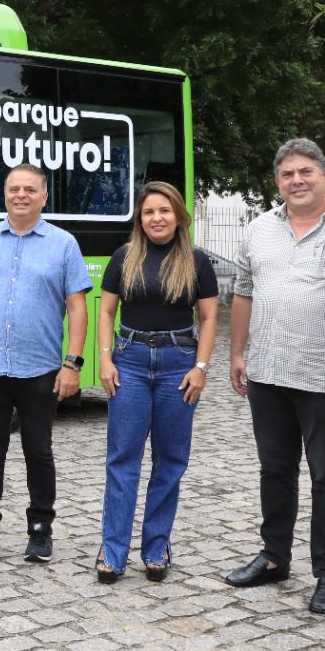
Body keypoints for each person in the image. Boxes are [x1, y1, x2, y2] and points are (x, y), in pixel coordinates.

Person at [226, 138, 325, 613]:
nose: (297, 180)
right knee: (275, 470)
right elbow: (244, 292)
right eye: (288, 174)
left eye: (306, 172)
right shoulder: (258, 230)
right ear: (278, 182)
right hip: (268, 372)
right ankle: (274, 556)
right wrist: (236, 353)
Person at [0, 163, 92, 566]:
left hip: (41, 370)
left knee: (38, 452)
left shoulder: (63, 245)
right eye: (14, 189)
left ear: (44, 197)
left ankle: (40, 531)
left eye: (30, 189)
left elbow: (78, 307)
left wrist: (72, 364)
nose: (21, 195)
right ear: (4, 195)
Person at [95, 182, 218, 583]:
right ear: (140, 218)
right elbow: (106, 311)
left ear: (178, 215)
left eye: (164, 211)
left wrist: (201, 366)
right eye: (149, 212)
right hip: (128, 362)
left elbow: (210, 318)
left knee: (170, 461)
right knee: (122, 459)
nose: (157, 218)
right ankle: (112, 551)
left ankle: (156, 547)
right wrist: (105, 359)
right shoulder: (124, 257)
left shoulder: (197, 262)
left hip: (177, 364)